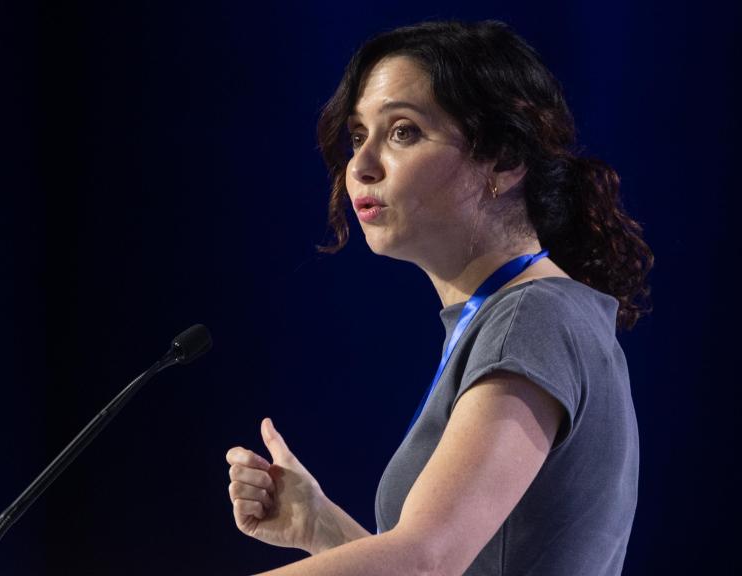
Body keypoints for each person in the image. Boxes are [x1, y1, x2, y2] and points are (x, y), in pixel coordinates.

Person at [224, 18, 653, 576]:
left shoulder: (533, 314)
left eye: (402, 131)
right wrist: (320, 526)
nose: (361, 164)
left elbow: (428, 559)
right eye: (358, 136)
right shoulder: (528, 314)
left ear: (503, 158)